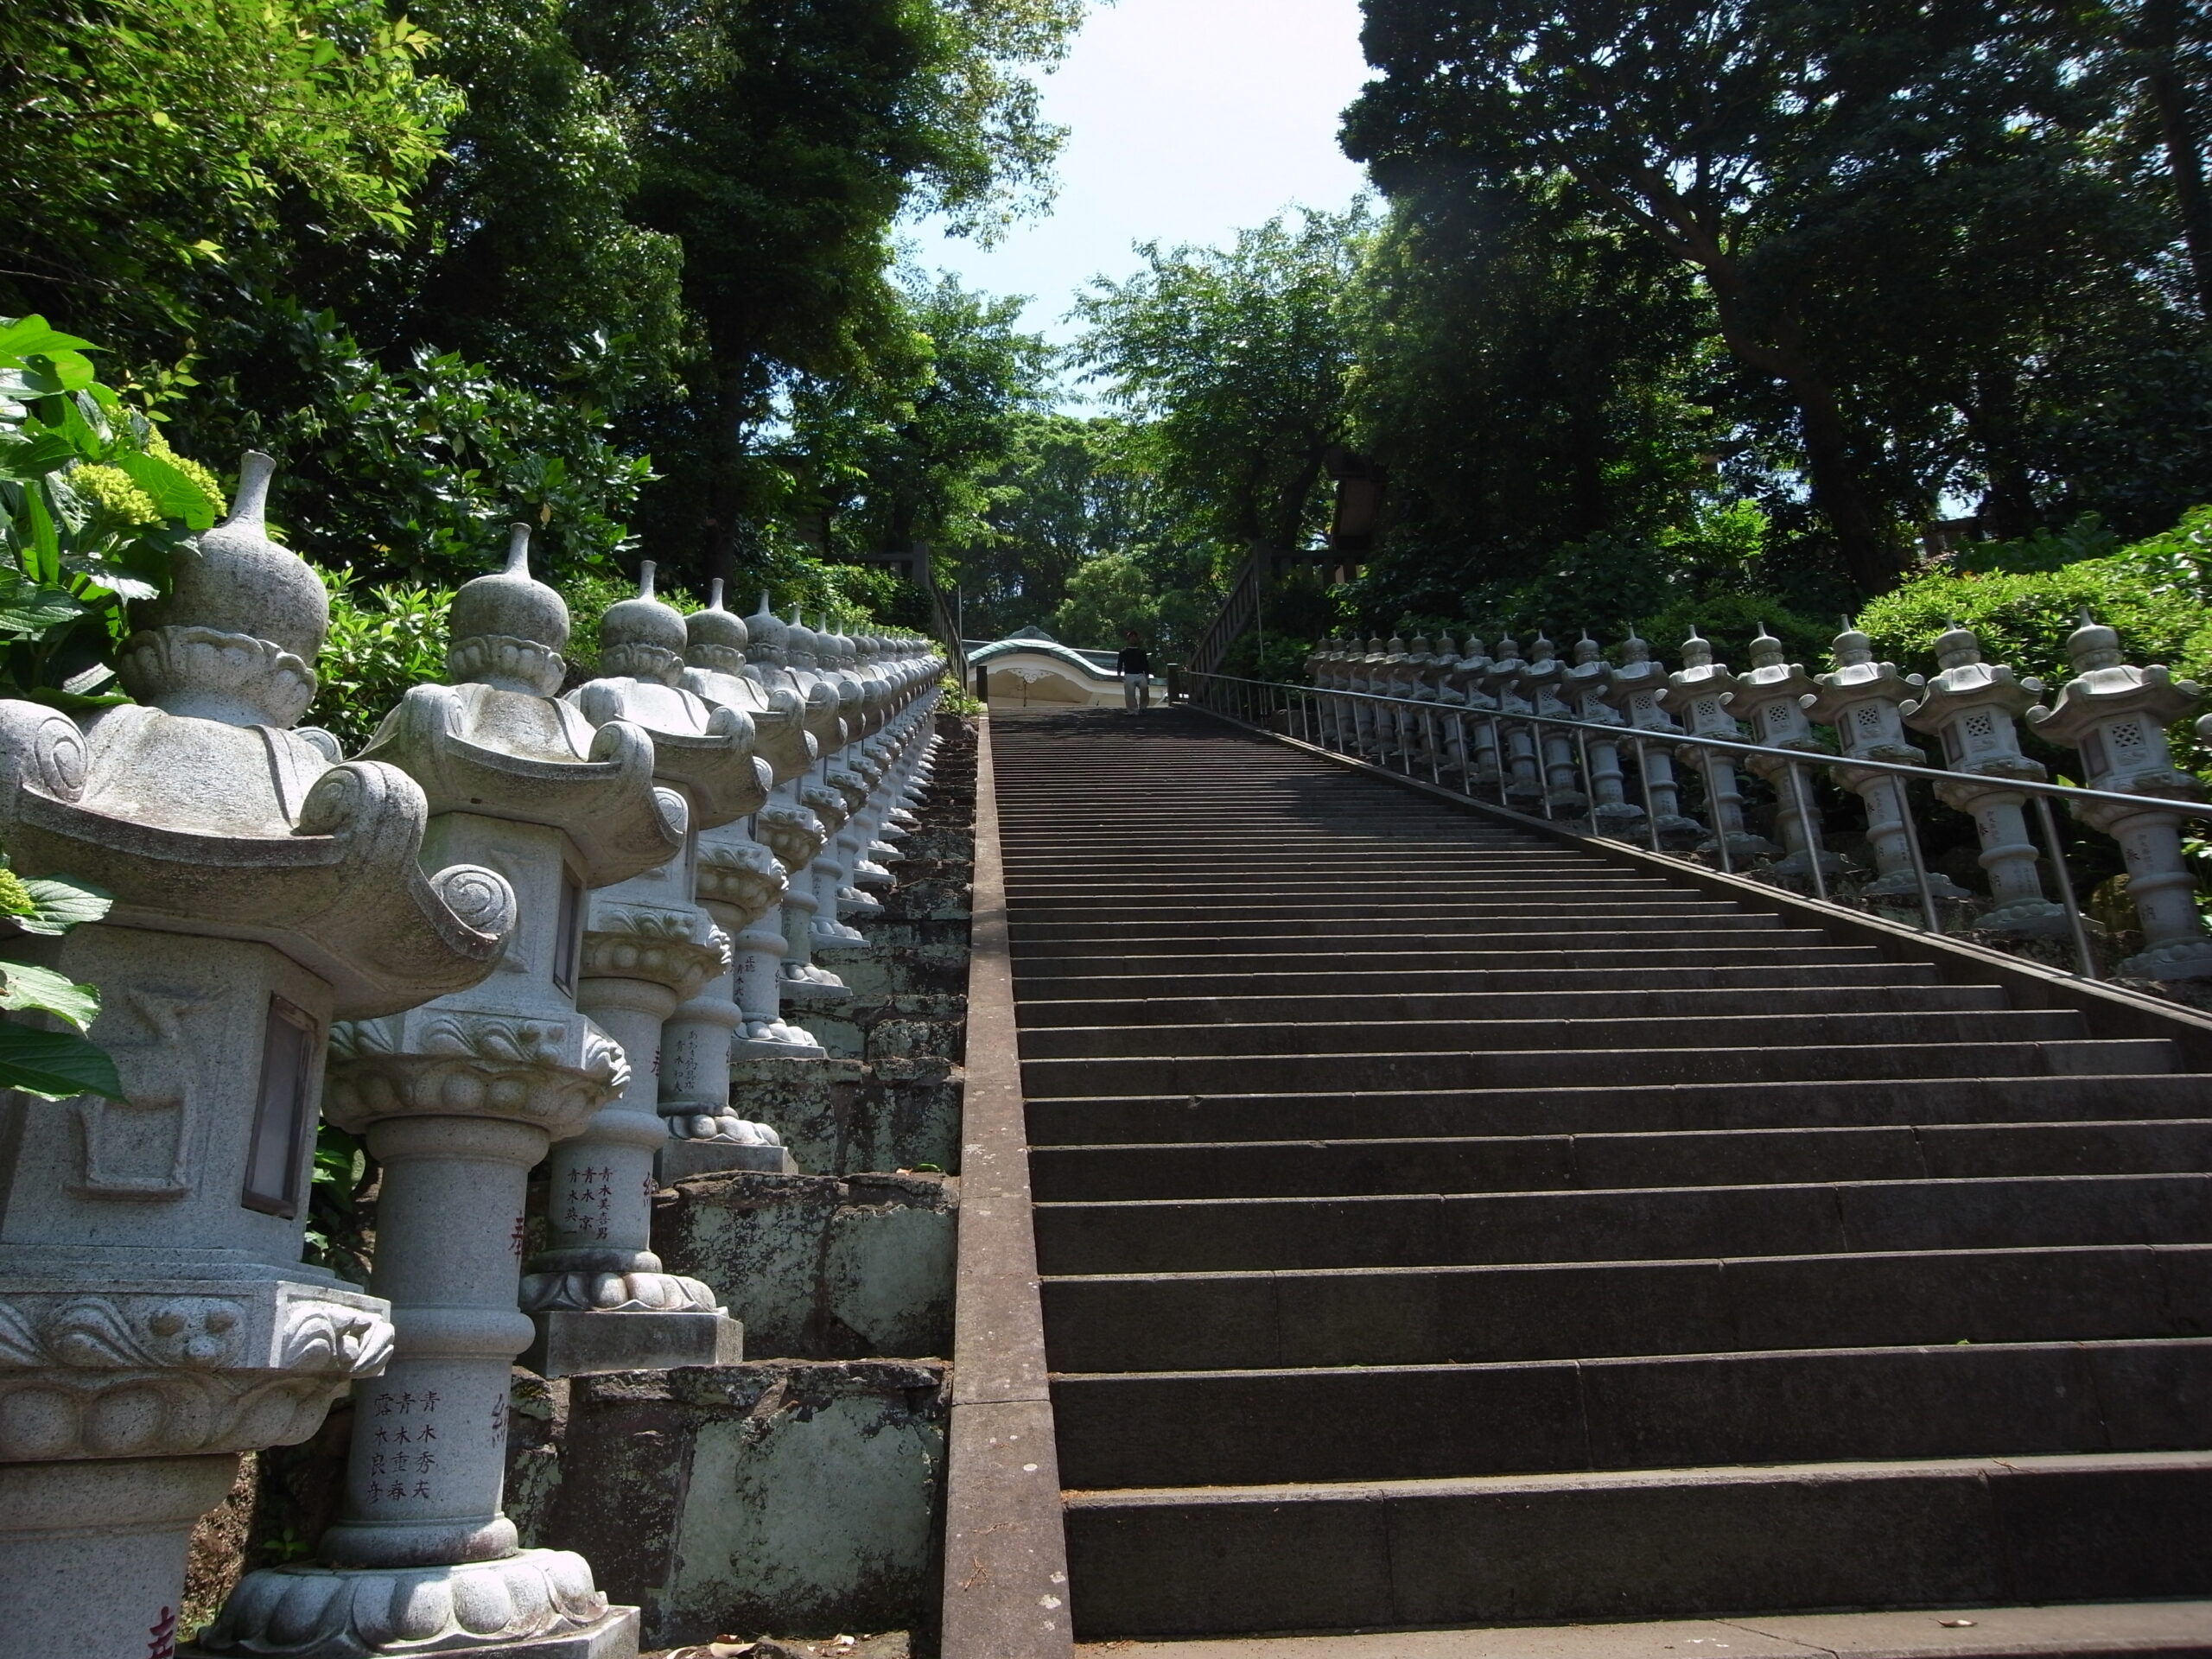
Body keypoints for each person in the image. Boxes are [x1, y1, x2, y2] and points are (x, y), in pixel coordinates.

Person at [1115, 631, 1152, 714]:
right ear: (1128, 640)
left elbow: (1146, 664)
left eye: (1135, 637)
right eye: (1131, 638)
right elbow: (1120, 663)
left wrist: (1147, 674)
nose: (1133, 639)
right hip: (1129, 675)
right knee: (1130, 693)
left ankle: (1143, 707)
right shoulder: (1123, 652)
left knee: (1144, 688)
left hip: (1140, 674)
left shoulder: (1142, 652)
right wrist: (1119, 673)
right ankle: (1132, 711)